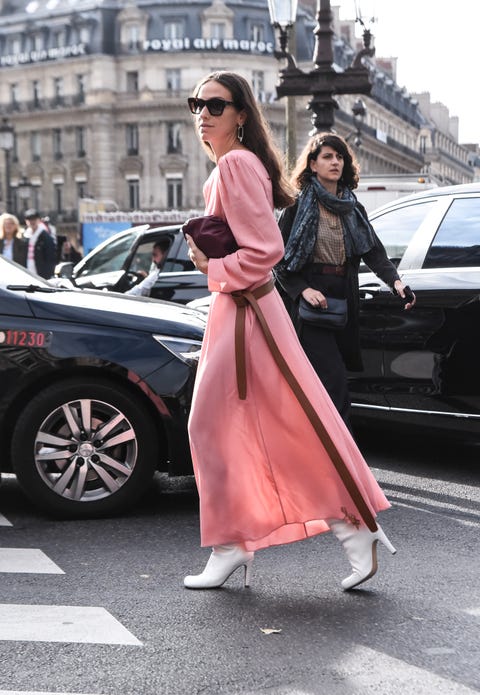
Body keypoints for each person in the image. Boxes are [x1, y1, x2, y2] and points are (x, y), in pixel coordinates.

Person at [183, 70, 397, 593]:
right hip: (243, 313)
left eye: (216, 105)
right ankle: (263, 541)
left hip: (247, 314)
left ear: (240, 113)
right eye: (198, 104)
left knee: (227, 427)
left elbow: (264, 253)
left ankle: (331, 533)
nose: (204, 115)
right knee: (274, 425)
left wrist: (210, 267)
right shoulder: (235, 165)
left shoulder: (235, 164)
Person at [276, 133, 416, 428]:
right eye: (327, 157)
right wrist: (303, 290)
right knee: (334, 380)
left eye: (339, 157)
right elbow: (278, 257)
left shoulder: (353, 207)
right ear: (312, 165)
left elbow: (374, 252)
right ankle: (342, 458)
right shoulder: (296, 206)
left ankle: (321, 452)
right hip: (311, 304)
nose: (335, 162)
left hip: (344, 298)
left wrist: (397, 283)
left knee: (325, 383)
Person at [23, 208, 57, 279]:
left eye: (34, 219)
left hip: (41, 273)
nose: (32, 222)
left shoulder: (46, 237)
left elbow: (50, 258)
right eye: (29, 219)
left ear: (39, 220)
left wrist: (48, 274)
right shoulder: (24, 236)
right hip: (27, 270)